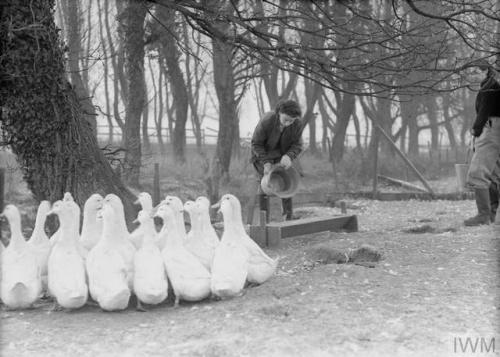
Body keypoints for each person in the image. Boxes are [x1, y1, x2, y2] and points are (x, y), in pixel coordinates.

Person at [250, 99, 303, 221]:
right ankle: (265, 222)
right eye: (286, 120)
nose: (288, 123)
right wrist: (266, 163)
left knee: (287, 184)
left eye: (292, 121)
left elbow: (298, 145)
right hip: (262, 155)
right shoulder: (267, 121)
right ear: (279, 112)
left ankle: (288, 219)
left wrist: (289, 156)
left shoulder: (297, 124)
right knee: (264, 184)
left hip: (282, 156)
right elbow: (256, 144)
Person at [464, 63, 500, 226]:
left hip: (491, 128)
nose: (472, 75)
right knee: (492, 173)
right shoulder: (491, 84)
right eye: (470, 73)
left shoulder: (490, 87)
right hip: (494, 128)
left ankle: (484, 215)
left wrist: (475, 131)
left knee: (478, 172)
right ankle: (490, 214)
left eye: (476, 72)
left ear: (486, 71)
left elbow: (484, 111)